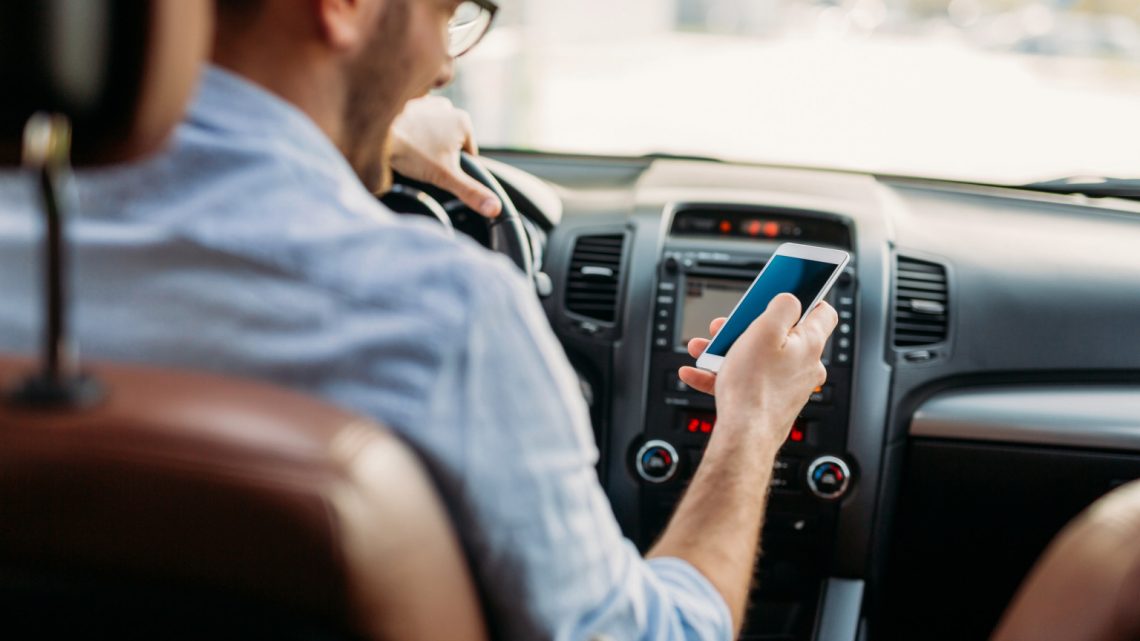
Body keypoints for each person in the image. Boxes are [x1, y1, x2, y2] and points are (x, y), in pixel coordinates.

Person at [0, 0, 837, 639]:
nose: (443, 64)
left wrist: (362, 120)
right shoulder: (442, 313)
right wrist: (752, 419)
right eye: (448, 11)